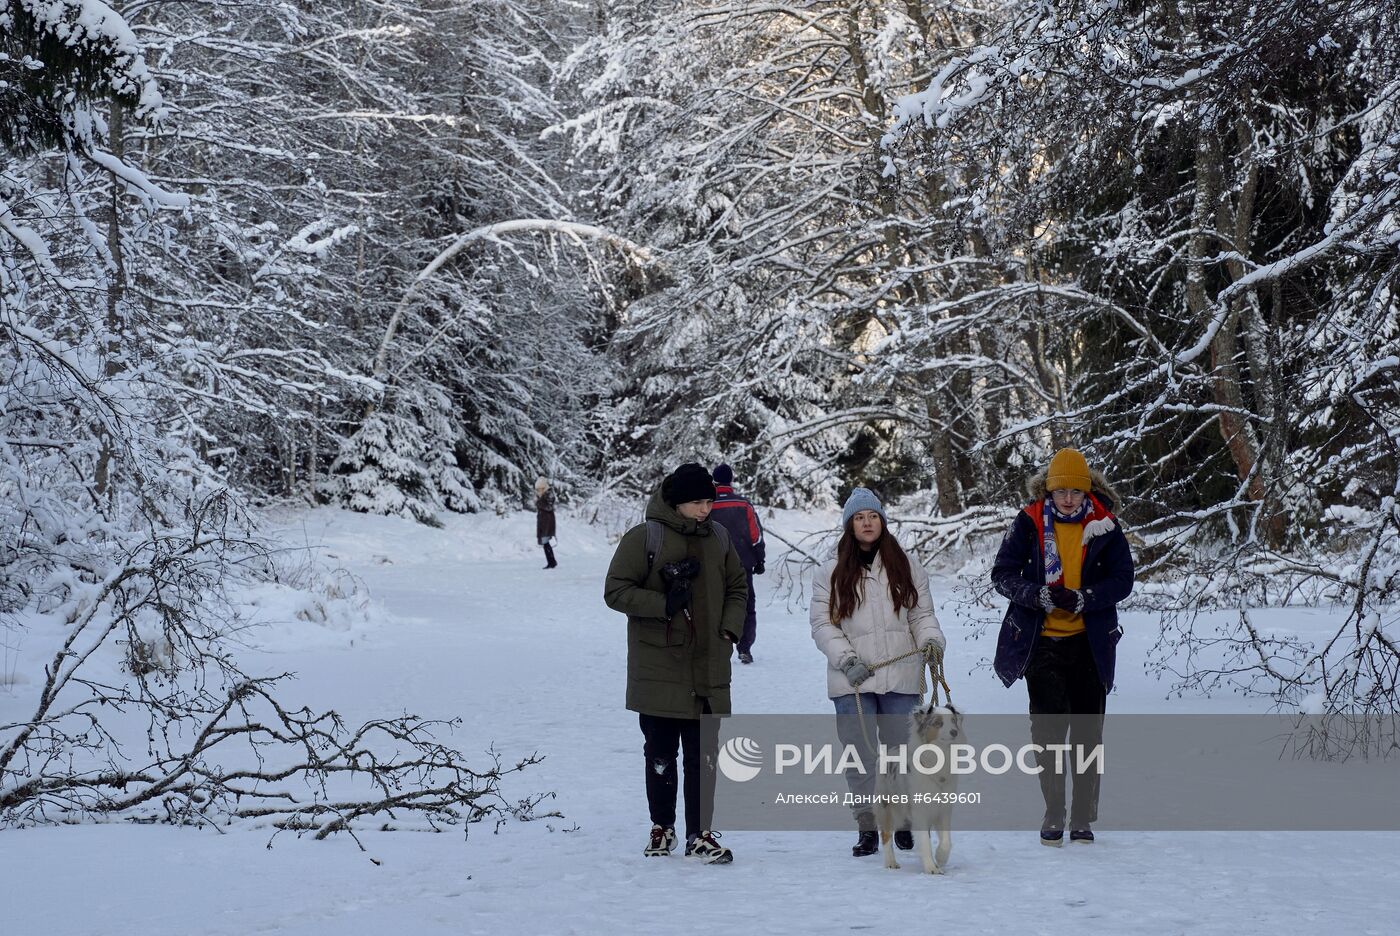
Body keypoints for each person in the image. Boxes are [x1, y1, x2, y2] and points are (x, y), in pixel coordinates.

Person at [604, 463, 750, 864]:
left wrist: (729, 631)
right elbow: (615, 590)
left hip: (709, 666)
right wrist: (662, 605)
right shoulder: (644, 537)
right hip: (659, 667)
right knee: (660, 754)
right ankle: (662, 827)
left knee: (704, 756)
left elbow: (739, 587)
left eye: (709, 502)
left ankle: (700, 834)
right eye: (697, 503)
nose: (706, 510)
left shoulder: (719, 537)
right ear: (676, 502)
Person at [990, 447, 1135, 846]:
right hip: (1041, 644)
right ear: (1048, 491)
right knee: (1049, 734)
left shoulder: (1106, 526)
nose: (1067, 498)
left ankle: (1083, 817)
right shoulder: (1029, 522)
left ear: (1087, 491)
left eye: (1075, 491)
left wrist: (1086, 596)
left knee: (1088, 735)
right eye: (1060, 491)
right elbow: (1001, 573)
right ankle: (1054, 810)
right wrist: (1036, 594)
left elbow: (1124, 579)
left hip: (1090, 644)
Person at [810, 487, 945, 857]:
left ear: (882, 521)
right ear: (849, 526)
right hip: (850, 680)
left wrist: (932, 640)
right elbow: (823, 624)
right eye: (859, 518)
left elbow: (922, 615)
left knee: (901, 752)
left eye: (872, 516)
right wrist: (846, 659)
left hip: (900, 673)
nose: (867, 523)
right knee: (860, 754)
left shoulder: (907, 566)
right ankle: (867, 825)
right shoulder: (831, 573)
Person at [709, 463, 766, 664]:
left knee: (716, 605)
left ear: (714, 481)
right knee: (746, 604)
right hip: (742, 564)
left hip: (714, 565)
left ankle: (717, 646)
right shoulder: (744, 505)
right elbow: (755, 535)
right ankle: (744, 648)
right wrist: (759, 558)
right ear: (731, 481)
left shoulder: (707, 505)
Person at [535, 477, 558, 569]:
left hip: (547, 523)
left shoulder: (549, 495)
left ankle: (552, 562)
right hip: (543, 522)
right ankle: (551, 562)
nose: (538, 491)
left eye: (539, 489)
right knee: (545, 543)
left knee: (546, 542)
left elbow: (549, 507)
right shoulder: (543, 495)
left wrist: (539, 503)